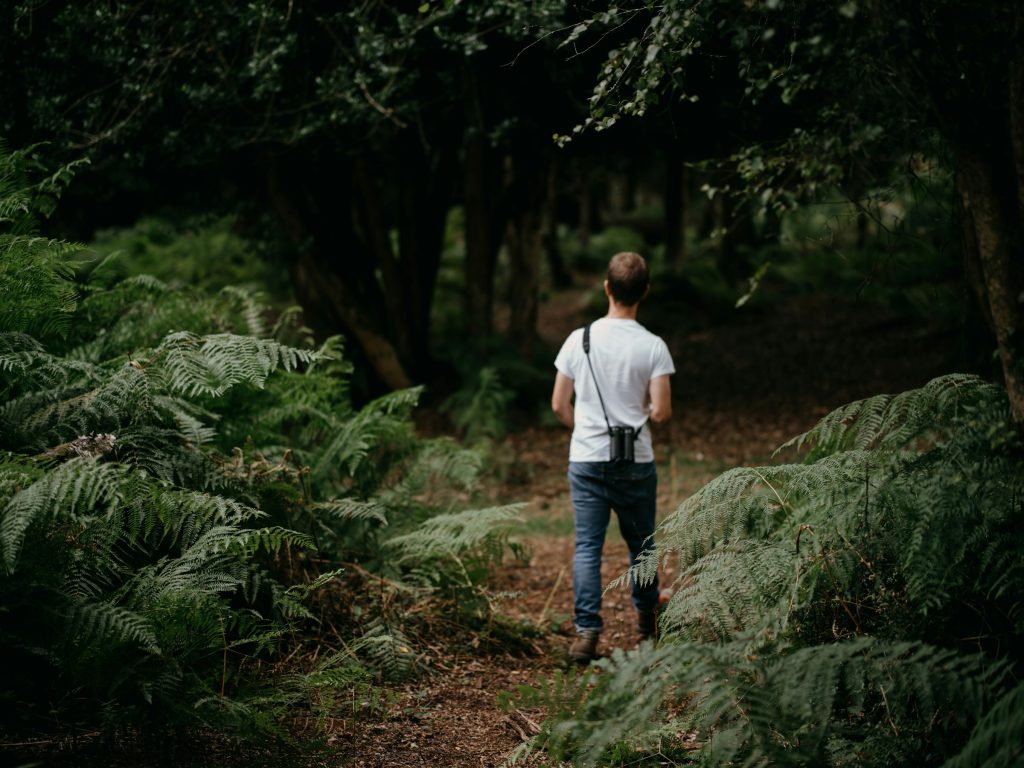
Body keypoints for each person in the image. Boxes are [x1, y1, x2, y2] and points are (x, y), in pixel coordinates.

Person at [551, 251, 675, 663]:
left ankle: (587, 633)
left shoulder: (578, 340)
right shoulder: (654, 346)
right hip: (635, 461)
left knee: (588, 546)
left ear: (606, 288)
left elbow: (558, 405)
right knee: (641, 546)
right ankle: (646, 623)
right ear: (645, 292)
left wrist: (584, 431)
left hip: (586, 458)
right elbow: (661, 412)